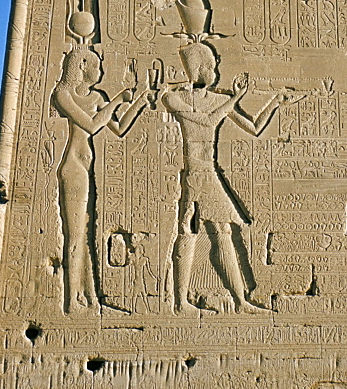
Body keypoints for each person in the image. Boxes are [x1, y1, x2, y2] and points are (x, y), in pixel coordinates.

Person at [162, 41, 291, 313]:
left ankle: (238, 301)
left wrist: (275, 102)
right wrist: (234, 99)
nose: (216, 70)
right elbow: (207, 121)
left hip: (207, 173)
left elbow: (254, 127)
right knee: (189, 231)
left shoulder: (219, 101)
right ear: (197, 69)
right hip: (195, 174)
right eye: (211, 65)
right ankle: (181, 301)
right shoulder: (175, 98)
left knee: (218, 231)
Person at [52, 47, 148, 312]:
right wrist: (117, 99)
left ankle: (90, 297)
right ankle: (72, 300)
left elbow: (117, 128)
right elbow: (92, 125)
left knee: (86, 235)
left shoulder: (96, 96)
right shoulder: (63, 94)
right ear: (82, 66)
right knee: (74, 236)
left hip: (87, 167)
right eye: (97, 66)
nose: (101, 72)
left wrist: (140, 101)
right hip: (72, 168)